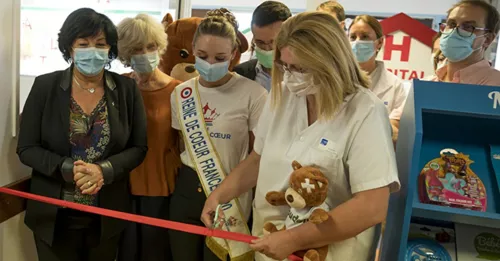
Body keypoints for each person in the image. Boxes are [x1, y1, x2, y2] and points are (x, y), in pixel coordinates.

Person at [201, 11, 400, 261]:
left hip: (329, 252)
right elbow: (257, 159)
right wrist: (219, 195)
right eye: (285, 66)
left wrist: (295, 238)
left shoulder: (365, 111)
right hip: (270, 245)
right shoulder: (282, 96)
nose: (290, 76)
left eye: (300, 68)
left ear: (330, 62)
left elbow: (372, 206)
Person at [16, 8, 147, 261]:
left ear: (110, 49)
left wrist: (103, 170)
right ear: (70, 47)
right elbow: (27, 148)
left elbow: (138, 147)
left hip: (107, 213)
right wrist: (68, 169)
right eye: (83, 44)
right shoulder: (45, 86)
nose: (92, 51)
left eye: (100, 44)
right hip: (53, 215)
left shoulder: (127, 89)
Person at [169, 8, 267, 261]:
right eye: (202, 55)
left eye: (219, 57)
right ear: (192, 49)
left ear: (234, 54)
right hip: (187, 191)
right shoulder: (181, 93)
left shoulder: (254, 94)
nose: (210, 64)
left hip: (231, 192)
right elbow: (183, 144)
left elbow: (258, 154)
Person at [116, 14, 181, 261]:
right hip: (121, 185)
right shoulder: (118, 86)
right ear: (125, 54)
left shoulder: (178, 90)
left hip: (162, 184)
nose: (144, 53)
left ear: (160, 47)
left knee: (157, 253)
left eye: (150, 47)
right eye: (136, 49)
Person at [348, 15, 407, 143]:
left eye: (364, 37)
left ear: (379, 42)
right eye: (353, 37)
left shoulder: (394, 85)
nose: (357, 42)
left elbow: (397, 133)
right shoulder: (337, 80)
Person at [432, 0, 500, 85]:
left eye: (468, 27)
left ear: (487, 39)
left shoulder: (495, 86)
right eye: (452, 24)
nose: (454, 32)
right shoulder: (425, 85)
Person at [234, 1, 292, 91]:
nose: (267, 49)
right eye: (260, 42)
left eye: (274, 42)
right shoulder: (240, 73)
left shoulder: (302, 76)